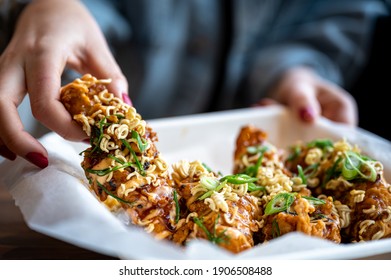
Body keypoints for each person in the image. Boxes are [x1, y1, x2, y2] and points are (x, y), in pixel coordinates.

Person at [0, 0, 388, 169]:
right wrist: (50, 5)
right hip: (65, 128)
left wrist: (295, 71)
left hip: (254, 126)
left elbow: (331, 11)